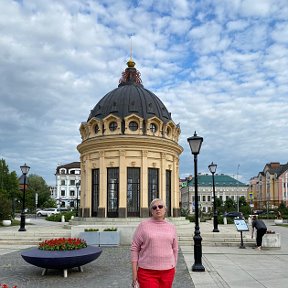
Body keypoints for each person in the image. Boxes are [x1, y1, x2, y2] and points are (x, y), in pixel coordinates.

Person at [131, 198, 178, 288]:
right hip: (147, 272)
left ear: (165, 209)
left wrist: (173, 265)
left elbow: (175, 249)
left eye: (160, 206)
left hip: (168, 272)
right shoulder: (143, 226)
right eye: (154, 207)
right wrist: (134, 275)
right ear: (151, 211)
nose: (157, 209)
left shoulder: (171, 227)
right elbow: (134, 248)